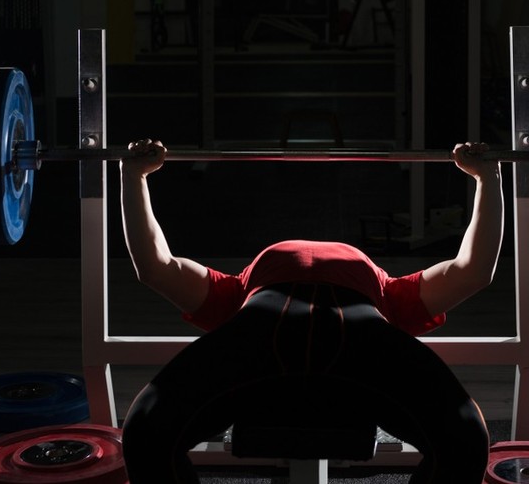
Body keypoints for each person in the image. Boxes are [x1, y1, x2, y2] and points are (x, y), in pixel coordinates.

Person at [119, 139, 504, 484]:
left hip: (266, 335)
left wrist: (134, 175)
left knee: (145, 432)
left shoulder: (235, 290)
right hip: (352, 339)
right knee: (464, 439)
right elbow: (471, 271)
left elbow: (158, 267)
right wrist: (487, 178)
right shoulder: (387, 291)